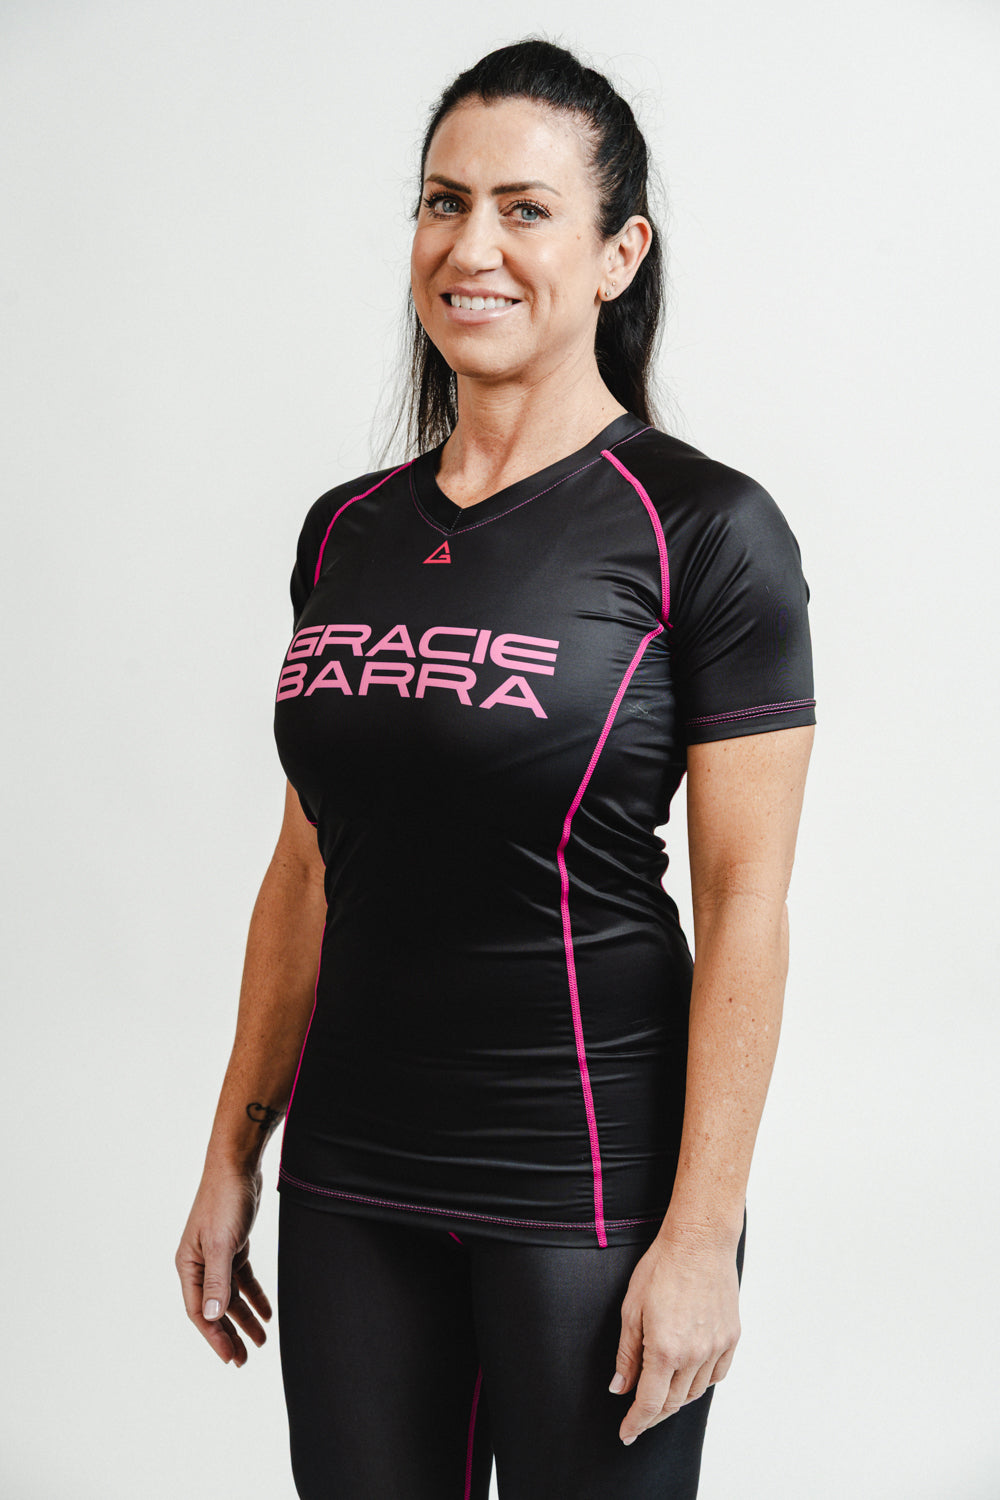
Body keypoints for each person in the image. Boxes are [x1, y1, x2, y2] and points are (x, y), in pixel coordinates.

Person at [175, 38, 815, 1500]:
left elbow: (748, 902)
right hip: (351, 1183)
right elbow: (307, 867)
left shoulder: (705, 531)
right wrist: (232, 1153)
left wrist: (702, 1236)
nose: (474, 247)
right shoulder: (346, 532)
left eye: (526, 210)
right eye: (443, 202)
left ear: (618, 255)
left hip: (586, 1187)